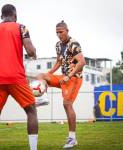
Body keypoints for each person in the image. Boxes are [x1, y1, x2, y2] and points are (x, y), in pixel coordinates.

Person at [0, 4, 38, 150]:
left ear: (1, 16)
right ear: (15, 15)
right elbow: (30, 51)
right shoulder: (21, 27)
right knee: (31, 111)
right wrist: (34, 51)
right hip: (16, 78)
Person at [36, 20, 86, 149]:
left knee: (67, 104)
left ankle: (72, 139)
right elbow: (59, 61)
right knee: (40, 76)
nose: (59, 34)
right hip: (63, 77)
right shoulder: (58, 45)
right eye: (57, 32)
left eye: (61, 32)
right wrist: (49, 74)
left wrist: (69, 75)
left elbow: (81, 62)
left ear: (67, 31)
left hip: (74, 78)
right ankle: (43, 98)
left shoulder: (74, 44)